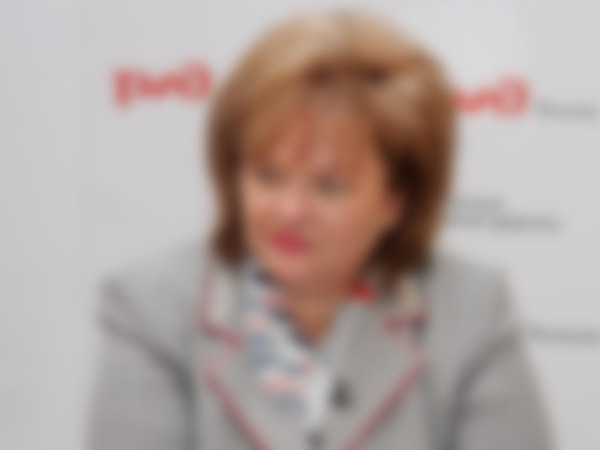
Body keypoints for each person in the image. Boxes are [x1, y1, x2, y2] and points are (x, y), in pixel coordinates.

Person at [88, 9, 553, 450]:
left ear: (397, 198)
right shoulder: (152, 310)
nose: (291, 210)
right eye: (268, 176)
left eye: (329, 186)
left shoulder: (472, 313)